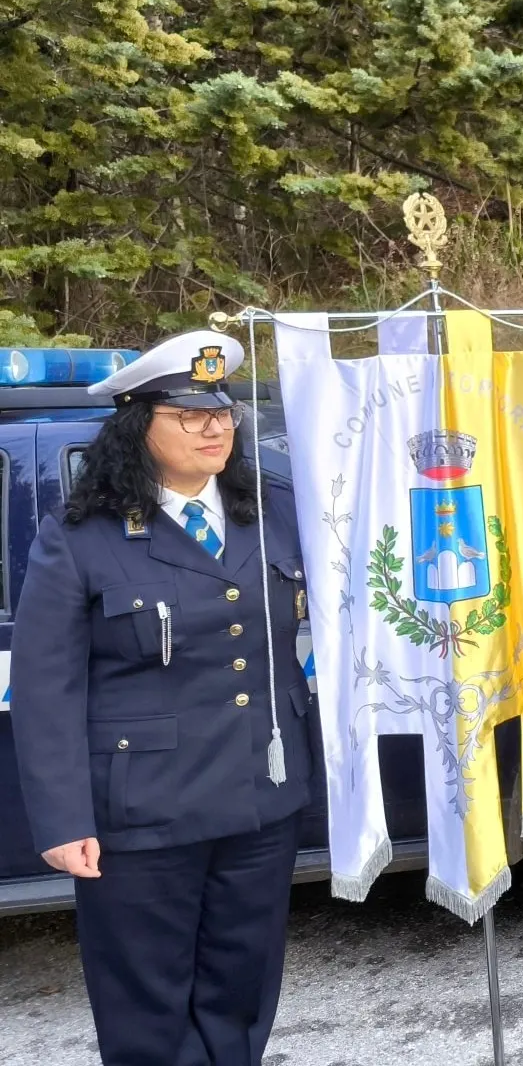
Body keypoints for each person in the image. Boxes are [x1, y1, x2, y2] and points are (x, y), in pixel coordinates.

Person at [11, 330, 320, 1066]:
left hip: (259, 801)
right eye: (188, 414)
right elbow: (46, 687)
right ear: (136, 425)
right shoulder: (83, 538)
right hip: (143, 816)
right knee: (147, 1008)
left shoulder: (274, 510)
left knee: (242, 993)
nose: (214, 426)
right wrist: (62, 819)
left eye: (220, 411)